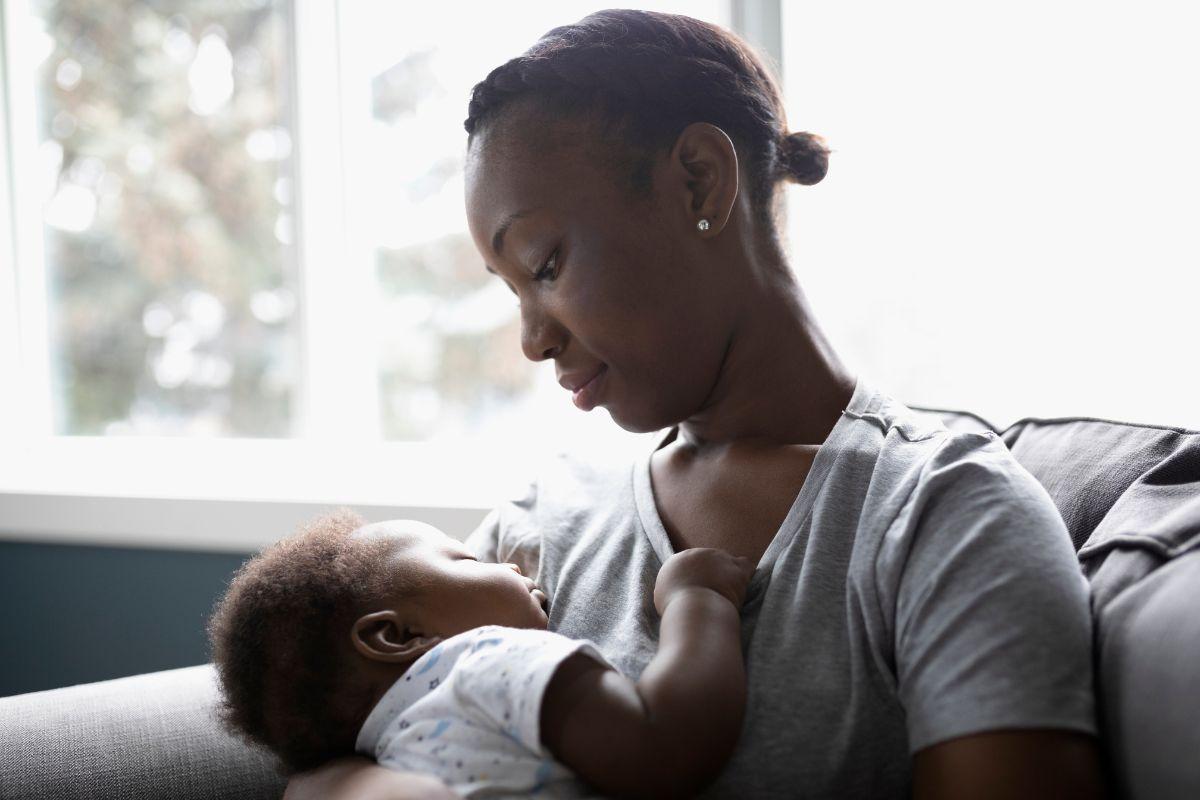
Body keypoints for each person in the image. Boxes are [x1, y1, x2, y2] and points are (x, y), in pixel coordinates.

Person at [287, 9, 1108, 799]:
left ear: (698, 181)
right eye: (512, 292)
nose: (532, 341)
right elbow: (340, 744)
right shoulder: (534, 534)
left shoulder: (945, 517)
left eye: (544, 265)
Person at [210, 511, 755, 799]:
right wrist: (697, 599)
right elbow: (663, 747)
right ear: (396, 637)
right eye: (468, 559)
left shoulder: (397, 746)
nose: (512, 566)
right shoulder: (486, 661)